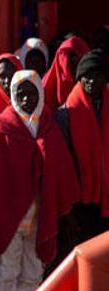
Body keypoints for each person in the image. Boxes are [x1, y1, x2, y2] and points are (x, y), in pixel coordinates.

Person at [0, 71, 80, 291]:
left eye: (32, 93)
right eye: (21, 94)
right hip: (8, 217)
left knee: (33, 269)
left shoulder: (48, 126)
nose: (27, 99)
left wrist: (63, 209)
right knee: (6, 272)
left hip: (40, 214)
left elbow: (61, 169)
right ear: (12, 96)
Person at [55, 49, 109, 245]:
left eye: (97, 75)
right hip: (81, 200)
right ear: (79, 79)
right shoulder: (65, 114)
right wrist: (67, 210)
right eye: (86, 76)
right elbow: (62, 164)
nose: (92, 81)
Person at [43, 36, 90, 112]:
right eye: (70, 66)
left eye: (78, 66)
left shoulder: (94, 86)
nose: (75, 72)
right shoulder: (43, 89)